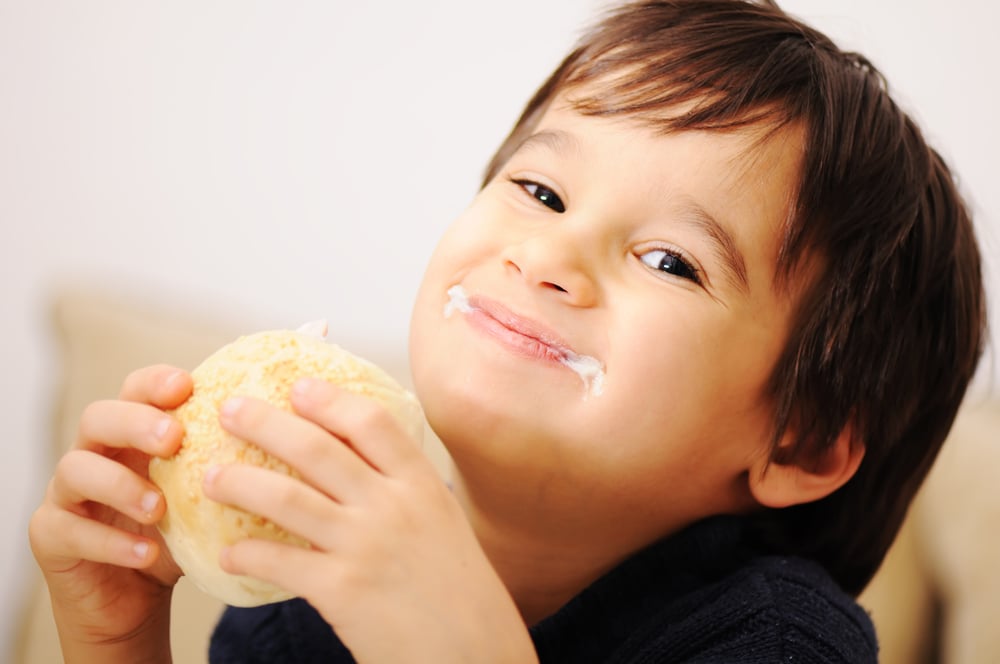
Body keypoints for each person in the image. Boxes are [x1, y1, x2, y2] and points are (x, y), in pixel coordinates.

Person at [29, 0, 986, 662]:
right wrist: (116, 641)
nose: (547, 256)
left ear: (801, 438)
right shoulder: (306, 604)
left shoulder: (776, 640)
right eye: (540, 191)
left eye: (669, 261)